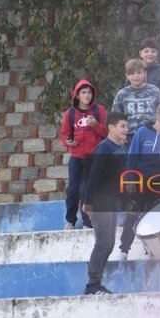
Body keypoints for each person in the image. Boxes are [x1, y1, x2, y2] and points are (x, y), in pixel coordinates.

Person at [118, 103, 160, 259]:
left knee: (152, 218)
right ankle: (124, 249)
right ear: (159, 119)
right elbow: (132, 157)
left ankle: (150, 250)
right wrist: (130, 180)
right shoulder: (142, 132)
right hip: (140, 182)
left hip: (159, 185)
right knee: (132, 215)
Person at [81, 112, 129, 294]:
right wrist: (88, 201)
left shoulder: (121, 148)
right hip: (100, 201)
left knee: (109, 244)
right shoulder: (104, 148)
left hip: (113, 202)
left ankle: (96, 283)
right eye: (122, 126)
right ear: (111, 127)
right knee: (102, 243)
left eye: (126, 126)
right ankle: (92, 284)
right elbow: (93, 176)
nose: (126, 130)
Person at [58, 79, 107, 229]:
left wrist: (96, 126)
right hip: (76, 157)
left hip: (93, 157)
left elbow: (107, 133)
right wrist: (68, 142)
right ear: (77, 95)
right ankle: (70, 220)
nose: (87, 95)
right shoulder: (71, 113)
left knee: (87, 190)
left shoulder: (99, 110)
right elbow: (65, 134)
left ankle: (88, 222)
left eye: (89, 92)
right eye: (83, 92)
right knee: (73, 190)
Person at [111, 59, 160, 144]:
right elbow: (115, 117)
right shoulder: (122, 94)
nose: (136, 76)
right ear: (127, 76)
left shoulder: (154, 91)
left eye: (139, 73)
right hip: (129, 138)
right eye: (132, 73)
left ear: (144, 74)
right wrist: (119, 136)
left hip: (152, 136)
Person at [139, 37, 160, 103]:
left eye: (153, 51)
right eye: (146, 51)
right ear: (140, 53)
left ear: (157, 53)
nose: (150, 54)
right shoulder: (135, 70)